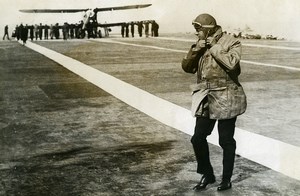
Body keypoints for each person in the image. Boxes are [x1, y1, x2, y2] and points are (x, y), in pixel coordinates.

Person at [181, 13, 247, 191]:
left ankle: (226, 179)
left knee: (226, 140)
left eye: (198, 29)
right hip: (206, 96)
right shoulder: (200, 44)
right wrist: (196, 49)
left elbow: (232, 64)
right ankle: (207, 174)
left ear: (207, 29)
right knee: (197, 138)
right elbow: (187, 68)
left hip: (227, 96)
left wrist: (215, 47)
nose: (196, 33)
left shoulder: (231, 42)